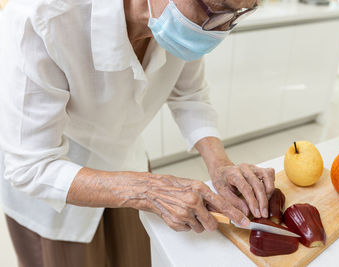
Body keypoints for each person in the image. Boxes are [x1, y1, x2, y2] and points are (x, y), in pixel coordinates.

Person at [0, 0, 275, 266]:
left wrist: (221, 165)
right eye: (216, 7)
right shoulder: (40, 18)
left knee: (136, 256)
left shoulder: (179, 25)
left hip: (125, 159)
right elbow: (30, 165)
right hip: (55, 185)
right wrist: (146, 190)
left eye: (238, 12)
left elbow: (189, 95)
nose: (218, 30)